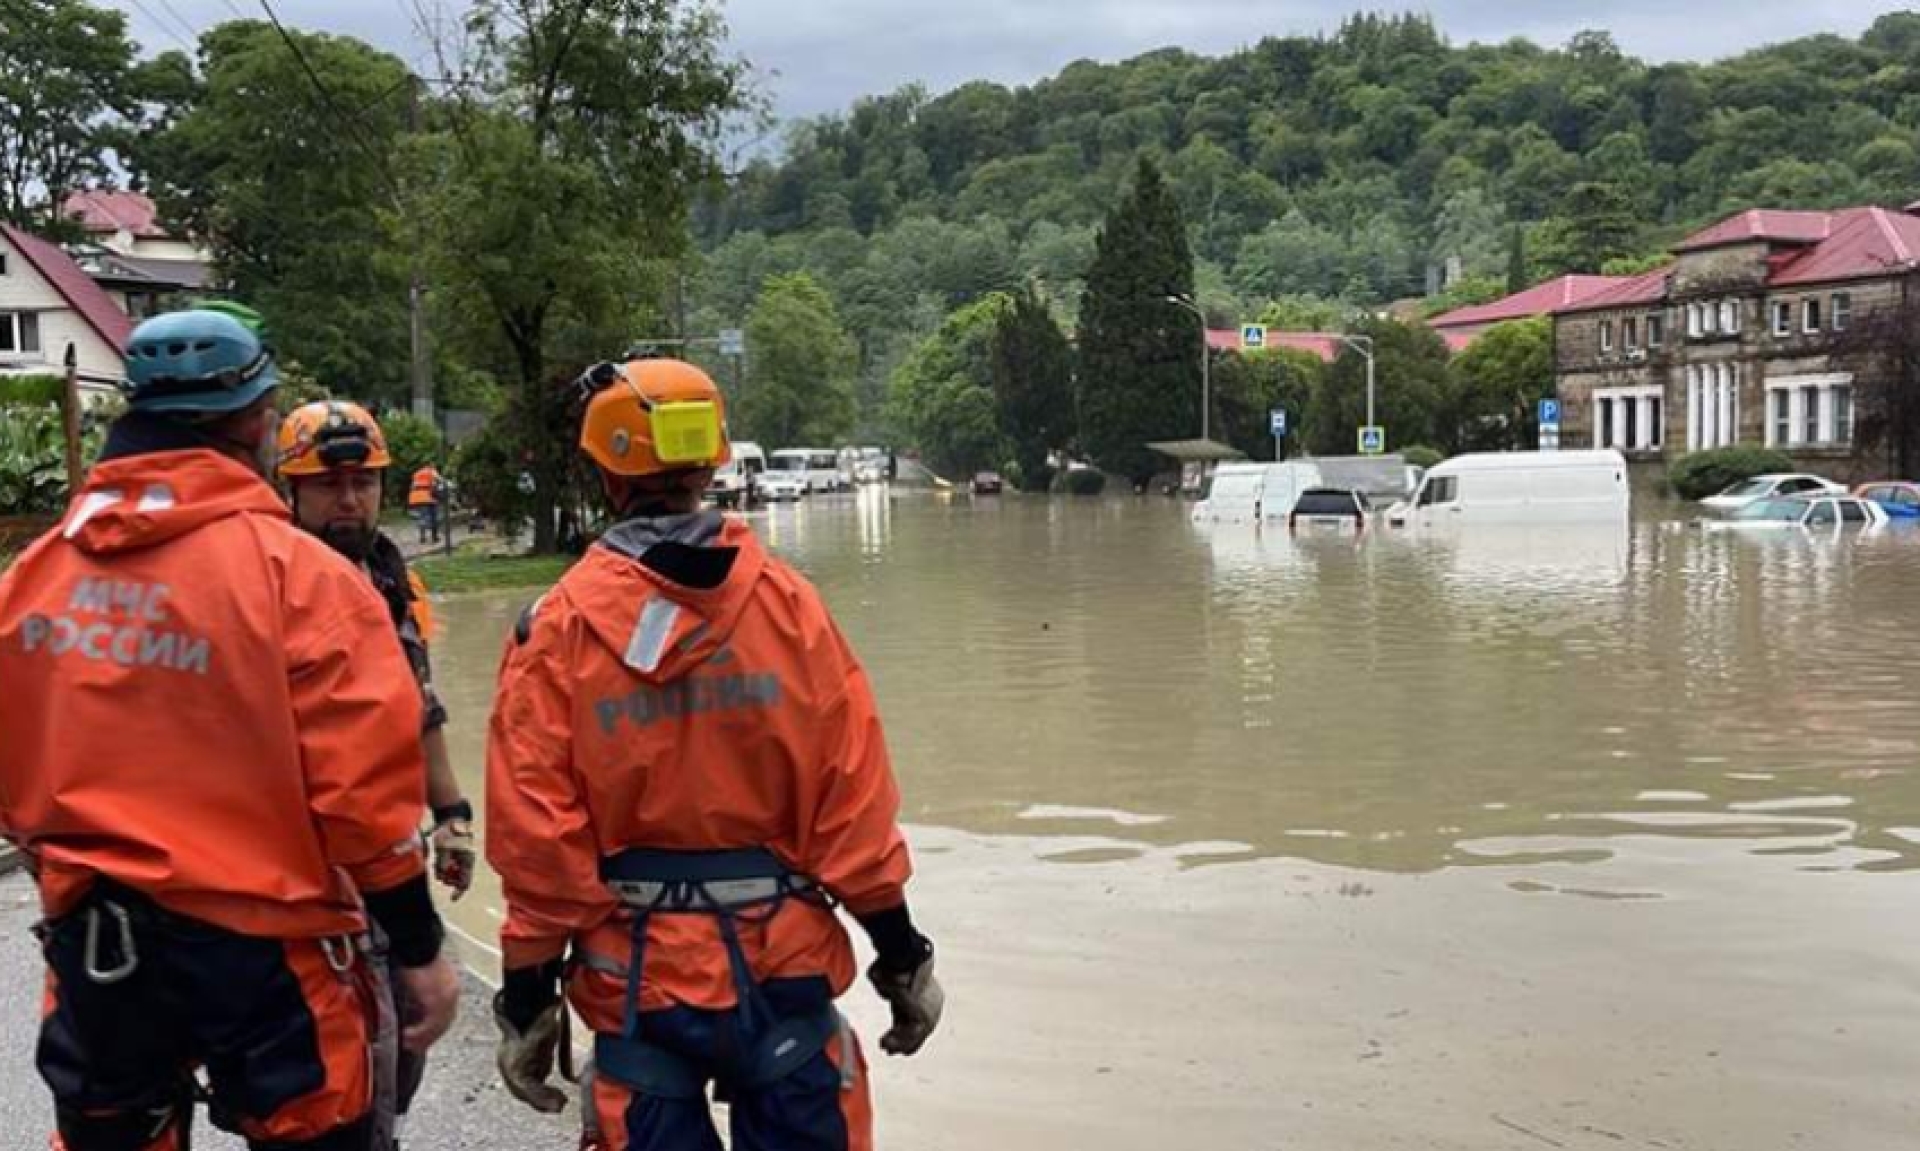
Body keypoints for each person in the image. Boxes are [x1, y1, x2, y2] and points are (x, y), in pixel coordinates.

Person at [0, 308, 460, 1151]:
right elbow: (363, 797)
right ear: (256, 420)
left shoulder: (34, 579)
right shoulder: (303, 580)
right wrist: (422, 946)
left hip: (104, 950)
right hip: (271, 959)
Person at [486, 356, 944, 1150]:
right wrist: (903, 958)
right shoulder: (790, 608)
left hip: (636, 986)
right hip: (782, 972)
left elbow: (539, 844)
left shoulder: (552, 631)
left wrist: (526, 994)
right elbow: (852, 810)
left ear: (603, 472)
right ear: (712, 462)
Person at [276, 400, 479, 1142]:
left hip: (386, 869)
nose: (350, 499)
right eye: (329, 485)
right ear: (289, 490)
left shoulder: (389, 579)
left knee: (396, 1061)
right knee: (332, 1088)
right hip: (301, 880)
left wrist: (453, 812)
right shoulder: (270, 587)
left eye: (364, 482)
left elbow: (416, 704)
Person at [408, 462, 443, 545]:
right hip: (429, 497)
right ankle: (435, 537)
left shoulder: (417, 473)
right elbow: (440, 480)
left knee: (422, 517)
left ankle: (422, 537)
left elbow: (413, 486)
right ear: (431, 466)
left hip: (418, 498)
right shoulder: (432, 471)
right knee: (434, 517)